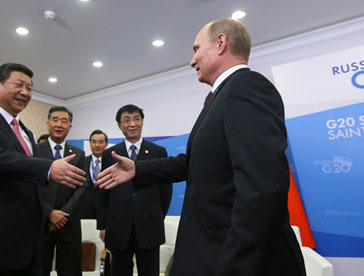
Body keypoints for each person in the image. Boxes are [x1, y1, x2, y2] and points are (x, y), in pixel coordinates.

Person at [97, 18, 306, 276]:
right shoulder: (220, 98)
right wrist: (137, 170)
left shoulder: (247, 88)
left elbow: (261, 190)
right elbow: (193, 162)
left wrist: (234, 265)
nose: (192, 60)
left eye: (196, 49)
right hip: (208, 251)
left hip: (231, 257)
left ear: (221, 43)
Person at [0, 63, 86, 275]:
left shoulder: (26, 132)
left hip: (25, 243)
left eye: (29, 88)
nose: (25, 92)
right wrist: (47, 168)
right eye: (19, 85)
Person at [97, 104, 172, 276]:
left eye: (136, 119)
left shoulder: (158, 151)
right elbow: (103, 190)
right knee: (120, 271)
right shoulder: (110, 154)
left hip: (149, 225)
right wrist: (102, 224)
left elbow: (165, 190)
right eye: (126, 120)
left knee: (149, 271)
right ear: (119, 125)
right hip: (118, 225)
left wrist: (157, 215)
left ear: (142, 122)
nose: (132, 124)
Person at [37, 106, 90, 276]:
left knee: (70, 270)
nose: (59, 124)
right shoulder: (34, 151)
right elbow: (29, 186)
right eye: (55, 119)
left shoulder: (79, 154)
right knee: (38, 269)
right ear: (48, 123)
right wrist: (50, 212)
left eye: (64, 121)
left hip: (69, 223)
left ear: (70, 126)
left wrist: (63, 214)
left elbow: (83, 187)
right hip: (40, 222)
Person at [80, 129, 108, 219]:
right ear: (90, 144)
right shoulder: (81, 162)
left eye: (100, 142)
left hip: (106, 210)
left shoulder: (112, 163)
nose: (97, 145)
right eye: (94, 142)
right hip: (85, 211)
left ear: (106, 144)